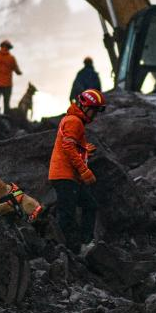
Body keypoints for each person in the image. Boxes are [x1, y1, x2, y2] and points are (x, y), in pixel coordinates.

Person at [49, 88, 106, 254]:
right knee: (67, 215)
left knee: (89, 206)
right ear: (86, 107)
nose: (95, 116)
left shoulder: (73, 120)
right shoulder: (75, 121)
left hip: (68, 176)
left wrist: (85, 149)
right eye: (94, 111)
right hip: (65, 176)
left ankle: (83, 244)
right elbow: (67, 147)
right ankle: (64, 250)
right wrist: (84, 171)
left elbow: (70, 145)